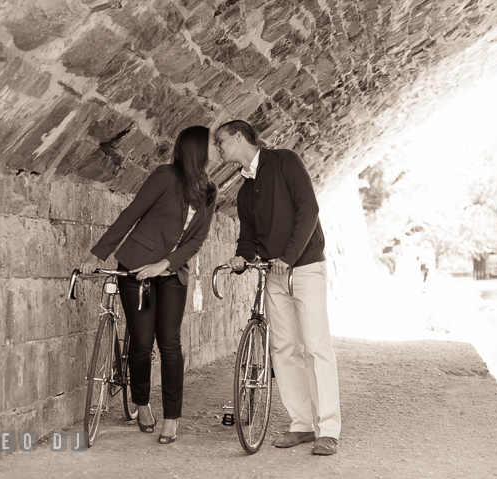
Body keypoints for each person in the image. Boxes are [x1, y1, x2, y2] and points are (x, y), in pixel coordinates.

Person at [79, 125, 220, 444]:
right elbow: (130, 215)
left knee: (170, 343)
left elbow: (197, 240)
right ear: (197, 148)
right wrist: (96, 255)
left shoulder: (211, 191)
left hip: (171, 273)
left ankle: (172, 418)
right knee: (142, 343)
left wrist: (165, 264)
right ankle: (141, 403)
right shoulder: (165, 176)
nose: (219, 147)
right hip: (135, 267)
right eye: (214, 143)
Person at [215, 120, 341, 455]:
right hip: (274, 274)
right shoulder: (244, 191)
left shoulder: (285, 161)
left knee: (316, 347)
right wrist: (241, 258)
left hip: (306, 267)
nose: (219, 149)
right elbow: (249, 238)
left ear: (240, 137)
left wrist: (289, 256)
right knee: (283, 350)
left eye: (222, 142)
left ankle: (328, 429)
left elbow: (309, 210)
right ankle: (302, 425)